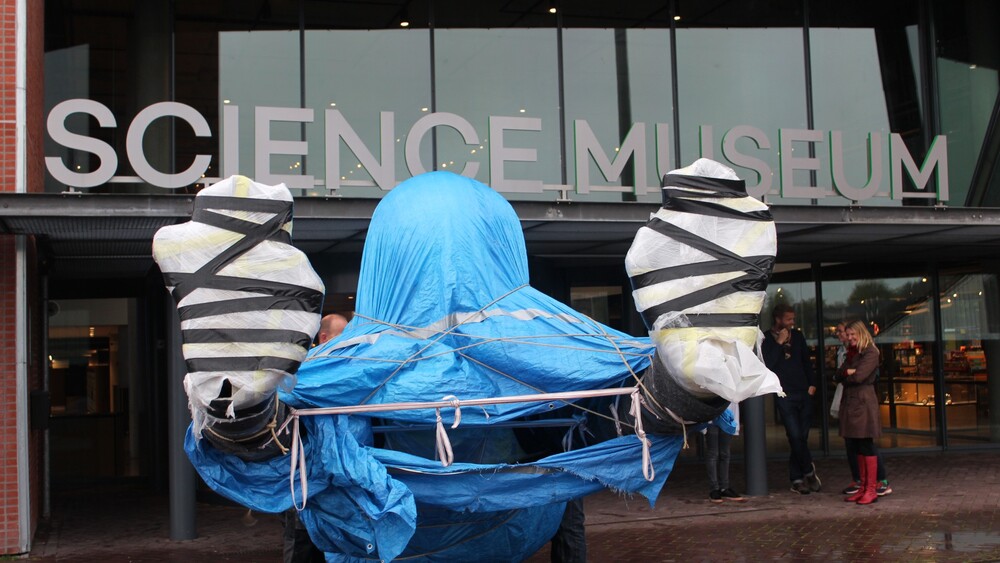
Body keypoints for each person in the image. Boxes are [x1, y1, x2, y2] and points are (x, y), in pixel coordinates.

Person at [283, 313, 349, 563]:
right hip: (303, 475)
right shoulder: (304, 372)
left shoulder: (343, 370)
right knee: (302, 541)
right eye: (342, 336)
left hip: (332, 478)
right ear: (324, 337)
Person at [762, 303, 821, 495]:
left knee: (801, 437)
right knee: (794, 435)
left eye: (793, 319)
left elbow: (806, 361)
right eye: (789, 319)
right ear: (778, 319)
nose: (792, 323)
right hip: (784, 393)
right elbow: (768, 364)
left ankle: (796, 479)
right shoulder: (766, 339)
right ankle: (808, 471)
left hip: (803, 391)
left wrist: (811, 384)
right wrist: (779, 343)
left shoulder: (798, 336)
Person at [833, 322, 891, 497]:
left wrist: (849, 374)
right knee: (855, 444)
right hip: (851, 403)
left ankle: (872, 487)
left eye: (853, 335)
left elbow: (859, 376)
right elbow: (837, 375)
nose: (850, 338)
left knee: (866, 444)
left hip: (863, 403)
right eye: (848, 335)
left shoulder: (871, 352)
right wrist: (846, 373)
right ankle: (863, 485)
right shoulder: (852, 353)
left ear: (861, 333)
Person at [705, 403, 745, 503]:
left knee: (724, 454)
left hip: (728, 416)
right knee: (713, 454)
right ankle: (714, 489)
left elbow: (735, 400)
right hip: (711, 416)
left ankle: (724, 488)